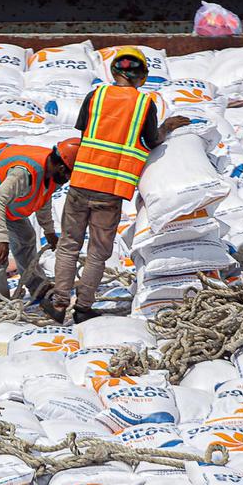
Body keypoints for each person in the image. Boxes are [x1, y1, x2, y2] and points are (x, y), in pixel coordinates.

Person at [52, 47, 191, 324]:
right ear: (142, 77)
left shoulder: (96, 96)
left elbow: (85, 131)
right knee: (97, 252)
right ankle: (83, 308)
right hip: (110, 190)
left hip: (81, 183)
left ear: (114, 71)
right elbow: (151, 141)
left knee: (68, 245)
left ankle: (58, 305)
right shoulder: (144, 104)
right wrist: (168, 126)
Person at [0, 138, 82, 321]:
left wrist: (49, 231)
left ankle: (36, 286)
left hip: (5, 199)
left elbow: (43, 199)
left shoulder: (51, 173)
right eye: (69, 174)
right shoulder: (23, 174)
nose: (68, 179)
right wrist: (2, 238)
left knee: (26, 237)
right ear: (61, 168)